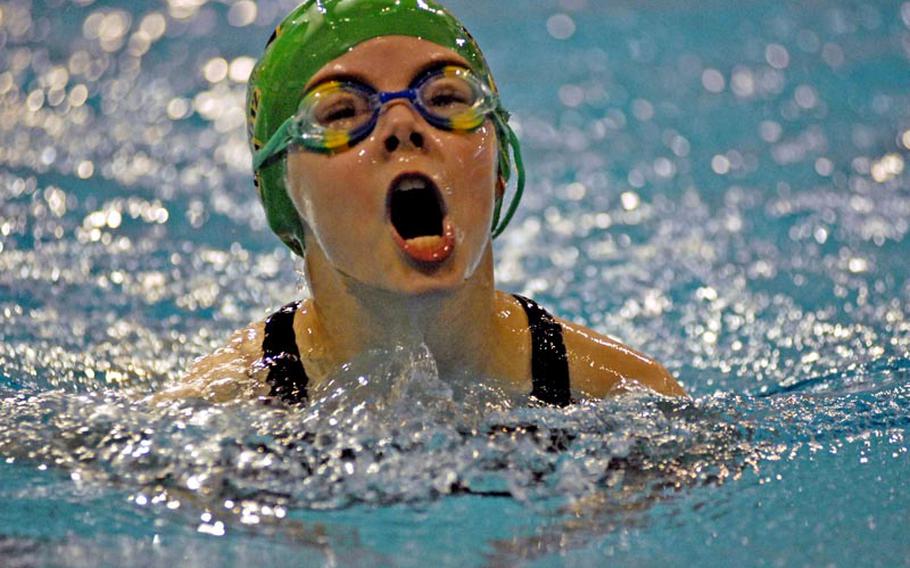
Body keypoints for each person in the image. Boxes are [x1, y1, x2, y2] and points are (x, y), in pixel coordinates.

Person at [155, 0, 686, 405]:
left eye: (446, 99)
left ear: (498, 167)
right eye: (341, 113)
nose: (404, 126)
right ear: (284, 192)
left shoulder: (623, 393)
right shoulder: (219, 409)